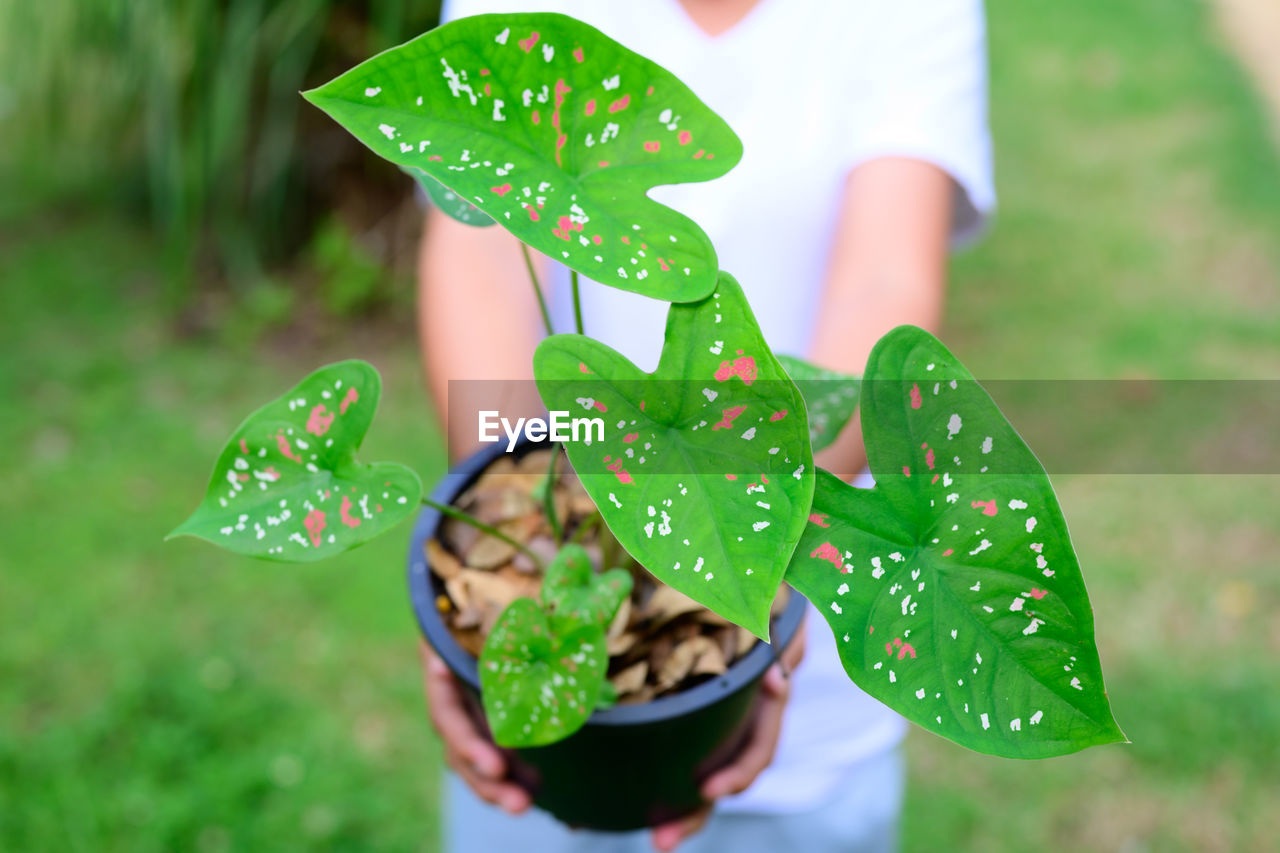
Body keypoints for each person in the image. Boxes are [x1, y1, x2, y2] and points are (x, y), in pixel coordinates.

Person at [416, 0, 995, 850]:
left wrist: (743, 555)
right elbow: (483, 254)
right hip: (549, 644)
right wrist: (512, 557)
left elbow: (885, 289)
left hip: (794, 620)